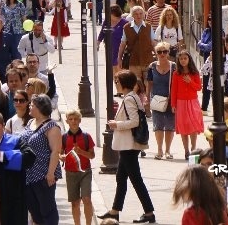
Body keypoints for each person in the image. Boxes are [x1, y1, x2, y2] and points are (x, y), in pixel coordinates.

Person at [99, 70, 155, 224]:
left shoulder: (129, 99)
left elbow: (134, 121)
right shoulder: (131, 97)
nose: (115, 84)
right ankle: (114, 211)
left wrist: (116, 124)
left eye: (117, 81)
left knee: (135, 179)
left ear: (123, 83)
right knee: (121, 177)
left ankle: (149, 212)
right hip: (128, 145)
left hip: (129, 145)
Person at [20, 93, 61, 225]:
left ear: (40, 107)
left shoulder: (52, 126)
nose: (29, 107)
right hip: (28, 174)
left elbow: (55, 151)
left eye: (32, 105)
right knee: (35, 212)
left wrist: (50, 173)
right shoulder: (31, 122)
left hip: (43, 175)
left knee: (47, 211)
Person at [62, 109, 96, 225]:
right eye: (70, 119)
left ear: (80, 120)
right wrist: (61, 157)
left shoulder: (87, 136)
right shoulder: (64, 137)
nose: (73, 121)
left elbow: (92, 155)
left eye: (76, 119)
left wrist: (81, 152)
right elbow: (59, 153)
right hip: (70, 172)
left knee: (86, 199)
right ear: (67, 121)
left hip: (85, 171)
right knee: (75, 202)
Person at [170, 50, 204, 159]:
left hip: (192, 101)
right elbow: (173, 90)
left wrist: (190, 81)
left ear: (189, 59)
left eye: (185, 58)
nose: (183, 61)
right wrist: (173, 104)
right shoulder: (176, 74)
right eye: (181, 59)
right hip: (180, 103)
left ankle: (193, 148)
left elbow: (198, 87)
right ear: (178, 61)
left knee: (193, 126)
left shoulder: (195, 73)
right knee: (184, 127)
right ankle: (186, 150)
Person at [118, 6, 155, 96]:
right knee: (134, 85)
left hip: (147, 60)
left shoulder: (149, 27)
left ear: (144, 15)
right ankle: (134, 104)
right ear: (132, 15)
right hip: (133, 61)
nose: (138, 16)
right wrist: (119, 58)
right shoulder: (126, 27)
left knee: (148, 84)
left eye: (140, 13)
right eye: (136, 14)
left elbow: (153, 43)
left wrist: (158, 56)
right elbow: (123, 44)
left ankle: (147, 104)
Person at [147, 42, 175, 160]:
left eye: (165, 51)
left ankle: (168, 150)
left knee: (169, 126)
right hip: (157, 99)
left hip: (170, 99)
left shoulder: (174, 66)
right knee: (157, 126)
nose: (162, 54)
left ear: (168, 53)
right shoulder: (152, 66)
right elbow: (149, 83)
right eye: (159, 52)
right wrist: (147, 99)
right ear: (156, 53)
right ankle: (159, 150)